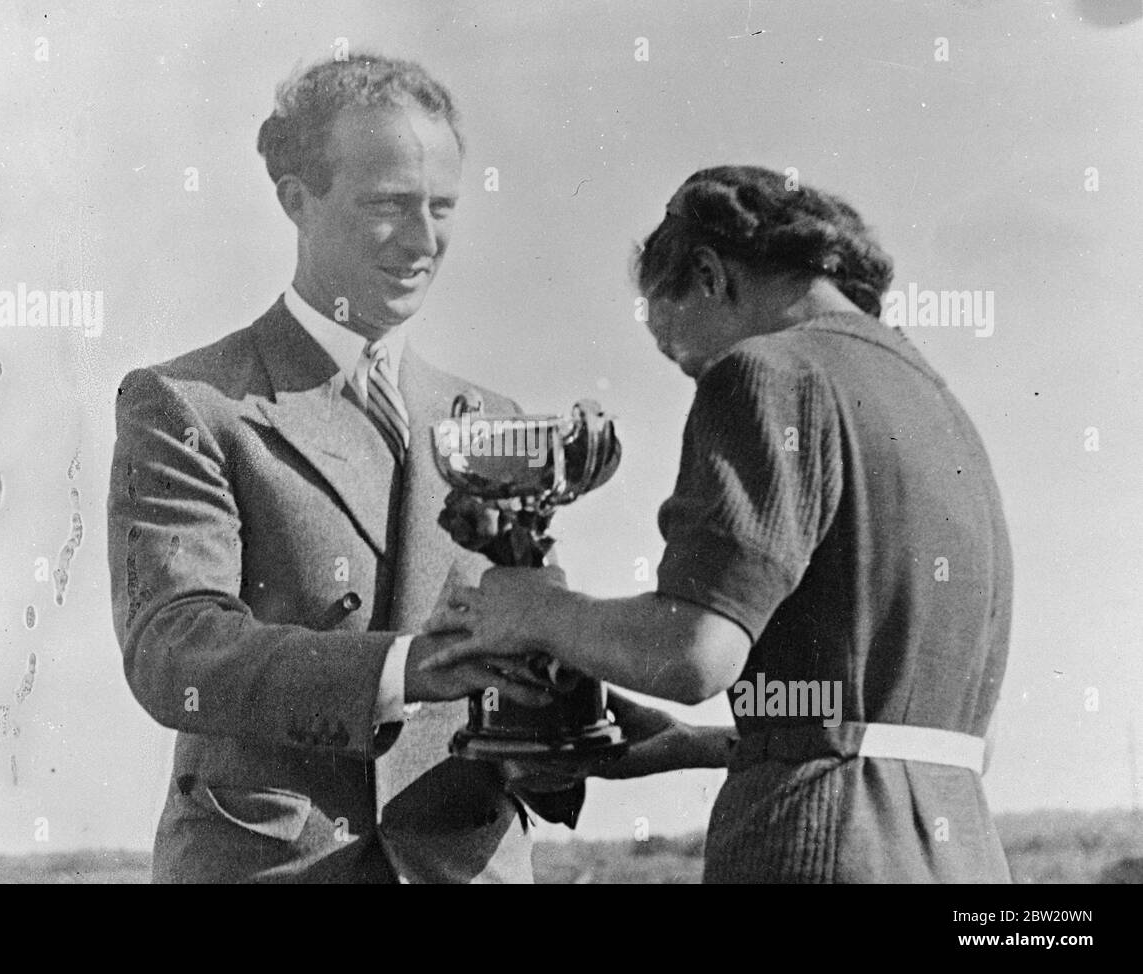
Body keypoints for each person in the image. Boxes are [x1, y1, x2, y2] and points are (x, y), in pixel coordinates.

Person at [426, 165, 1014, 883]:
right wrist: (683, 741)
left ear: (709, 275)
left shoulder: (770, 372)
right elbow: (854, 709)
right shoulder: (930, 397)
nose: (698, 375)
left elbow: (694, 654)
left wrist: (534, 609)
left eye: (683, 359)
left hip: (816, 846)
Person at [106, 53, 568, 884]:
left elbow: (531, 654)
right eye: (388, 205)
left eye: (443, 207)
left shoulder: (494, 422)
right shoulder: (189, 403)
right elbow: (172, 650)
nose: (424, 241)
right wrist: (403, 669)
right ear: (295, 197)